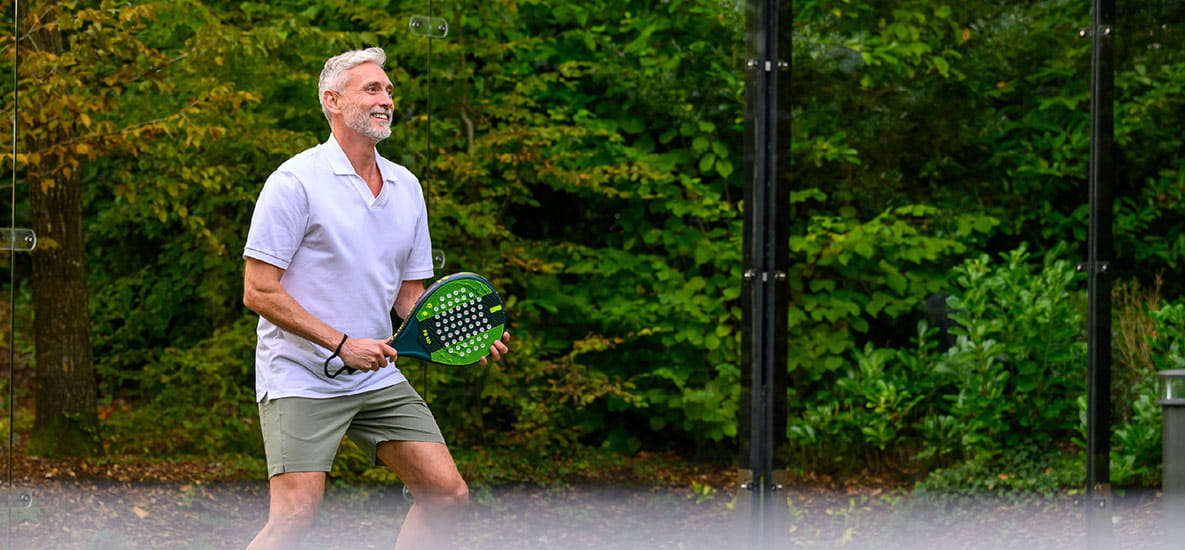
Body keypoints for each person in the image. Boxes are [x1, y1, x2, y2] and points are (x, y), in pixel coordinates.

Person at [241, 47, 509, 550]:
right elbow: (258, 290)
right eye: (372, 89)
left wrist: (462, 328)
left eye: (388, 90)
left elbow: (409, 296)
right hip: (299, 375)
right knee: (296, 514)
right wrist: (342, 344)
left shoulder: (407, 187)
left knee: (447, 494)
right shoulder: (294, 182)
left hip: (377, 372)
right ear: (333, 100)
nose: (386, 99)